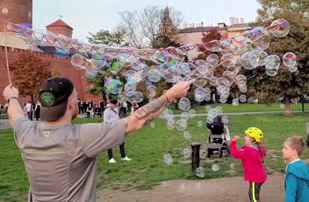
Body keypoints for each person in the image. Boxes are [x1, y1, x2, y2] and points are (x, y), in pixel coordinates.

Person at [2, 76, 192, 201]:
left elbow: (15, 115)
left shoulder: (25, 133)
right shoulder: (82, 137)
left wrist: (12, 97)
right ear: (70, 103)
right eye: (75, 97)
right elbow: (137, 120)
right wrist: (170, 95)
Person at [230, 127, 267, 202]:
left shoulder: (247, 151)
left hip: (255, 178)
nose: (245, 137)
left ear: (252, 139)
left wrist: (233, 142)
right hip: (260, 176)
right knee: (252, 193)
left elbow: (235, 154)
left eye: (247, 136)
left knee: (254, 198)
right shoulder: (259, 148)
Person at [282, 136, 309, 202]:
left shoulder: (292, 172)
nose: (282, 150)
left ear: (294, 152)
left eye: (285, 148)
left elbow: (290, 194)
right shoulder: (303, 165)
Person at [104, 99, 131, 163]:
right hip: (110, 128)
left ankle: (123, 156)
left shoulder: (116, 109)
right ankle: (111, 158)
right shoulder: (107, 111)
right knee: (110, 143)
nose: (116, 106)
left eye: (116, 105)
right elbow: (105, 121)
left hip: (117, 127)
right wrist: (114, 122)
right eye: (115, 104)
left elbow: (117, 117)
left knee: (121, 142)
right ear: (111, 104)